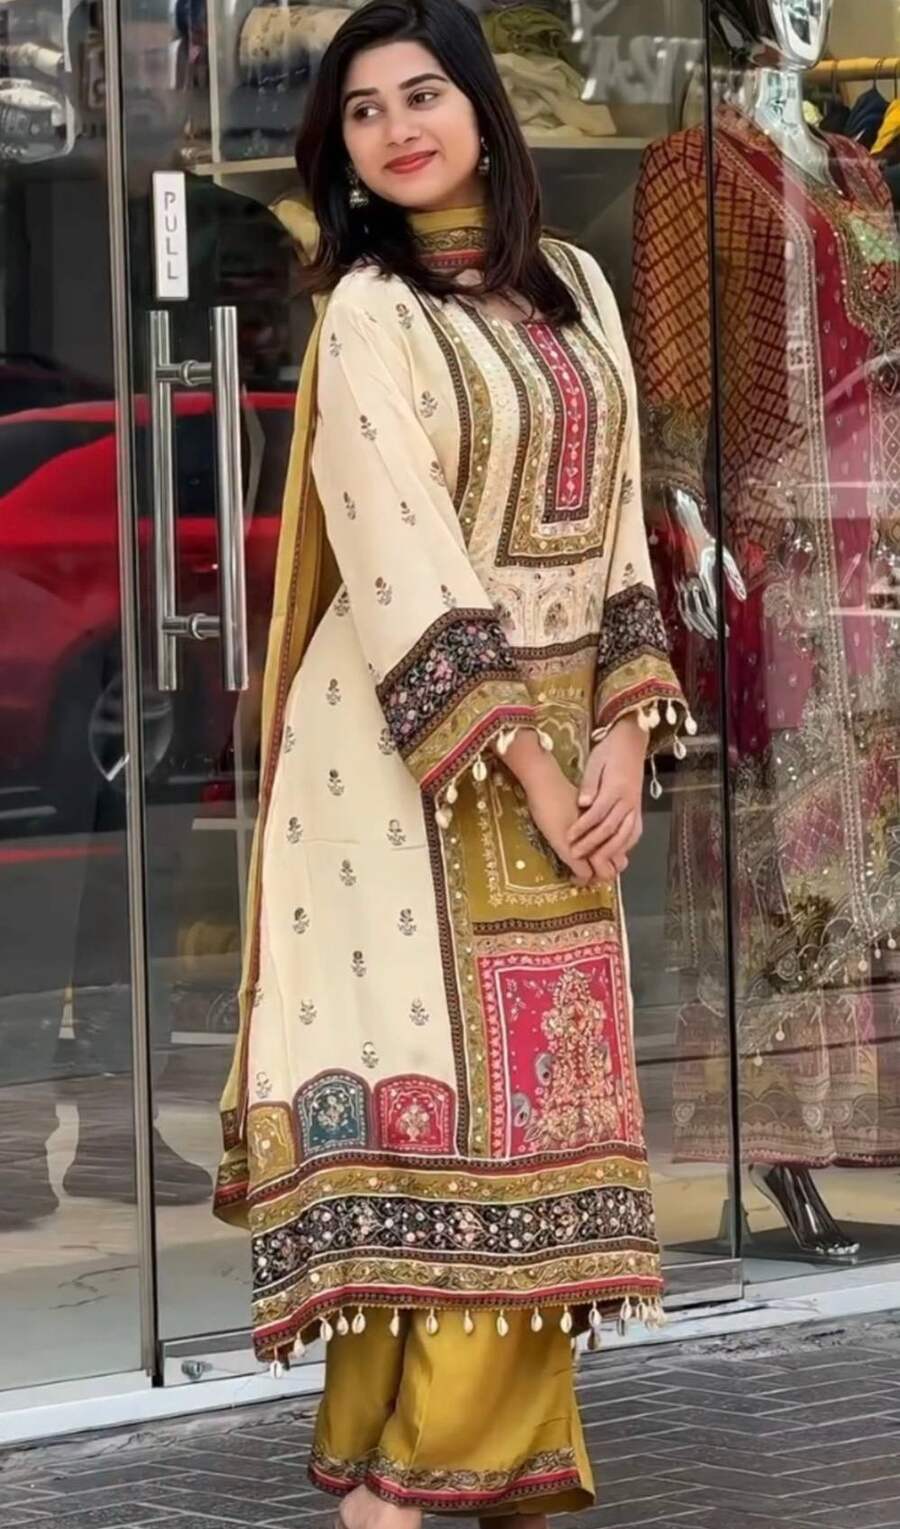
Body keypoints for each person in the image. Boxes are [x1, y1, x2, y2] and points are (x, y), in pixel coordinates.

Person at [214, 0, 690, 1519]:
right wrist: (538, 770)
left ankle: (401, 1480)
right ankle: (406, 1493)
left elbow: (621, 528)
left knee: (541, 1109)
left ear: (483, 109)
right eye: (363, 111)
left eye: (422, 95)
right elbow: (404, 556)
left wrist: (625, 730)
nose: (397, 129)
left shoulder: (577, 291)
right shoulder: (370, 310)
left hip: (565, 742)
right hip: (402, 762)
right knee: (455, 1117)